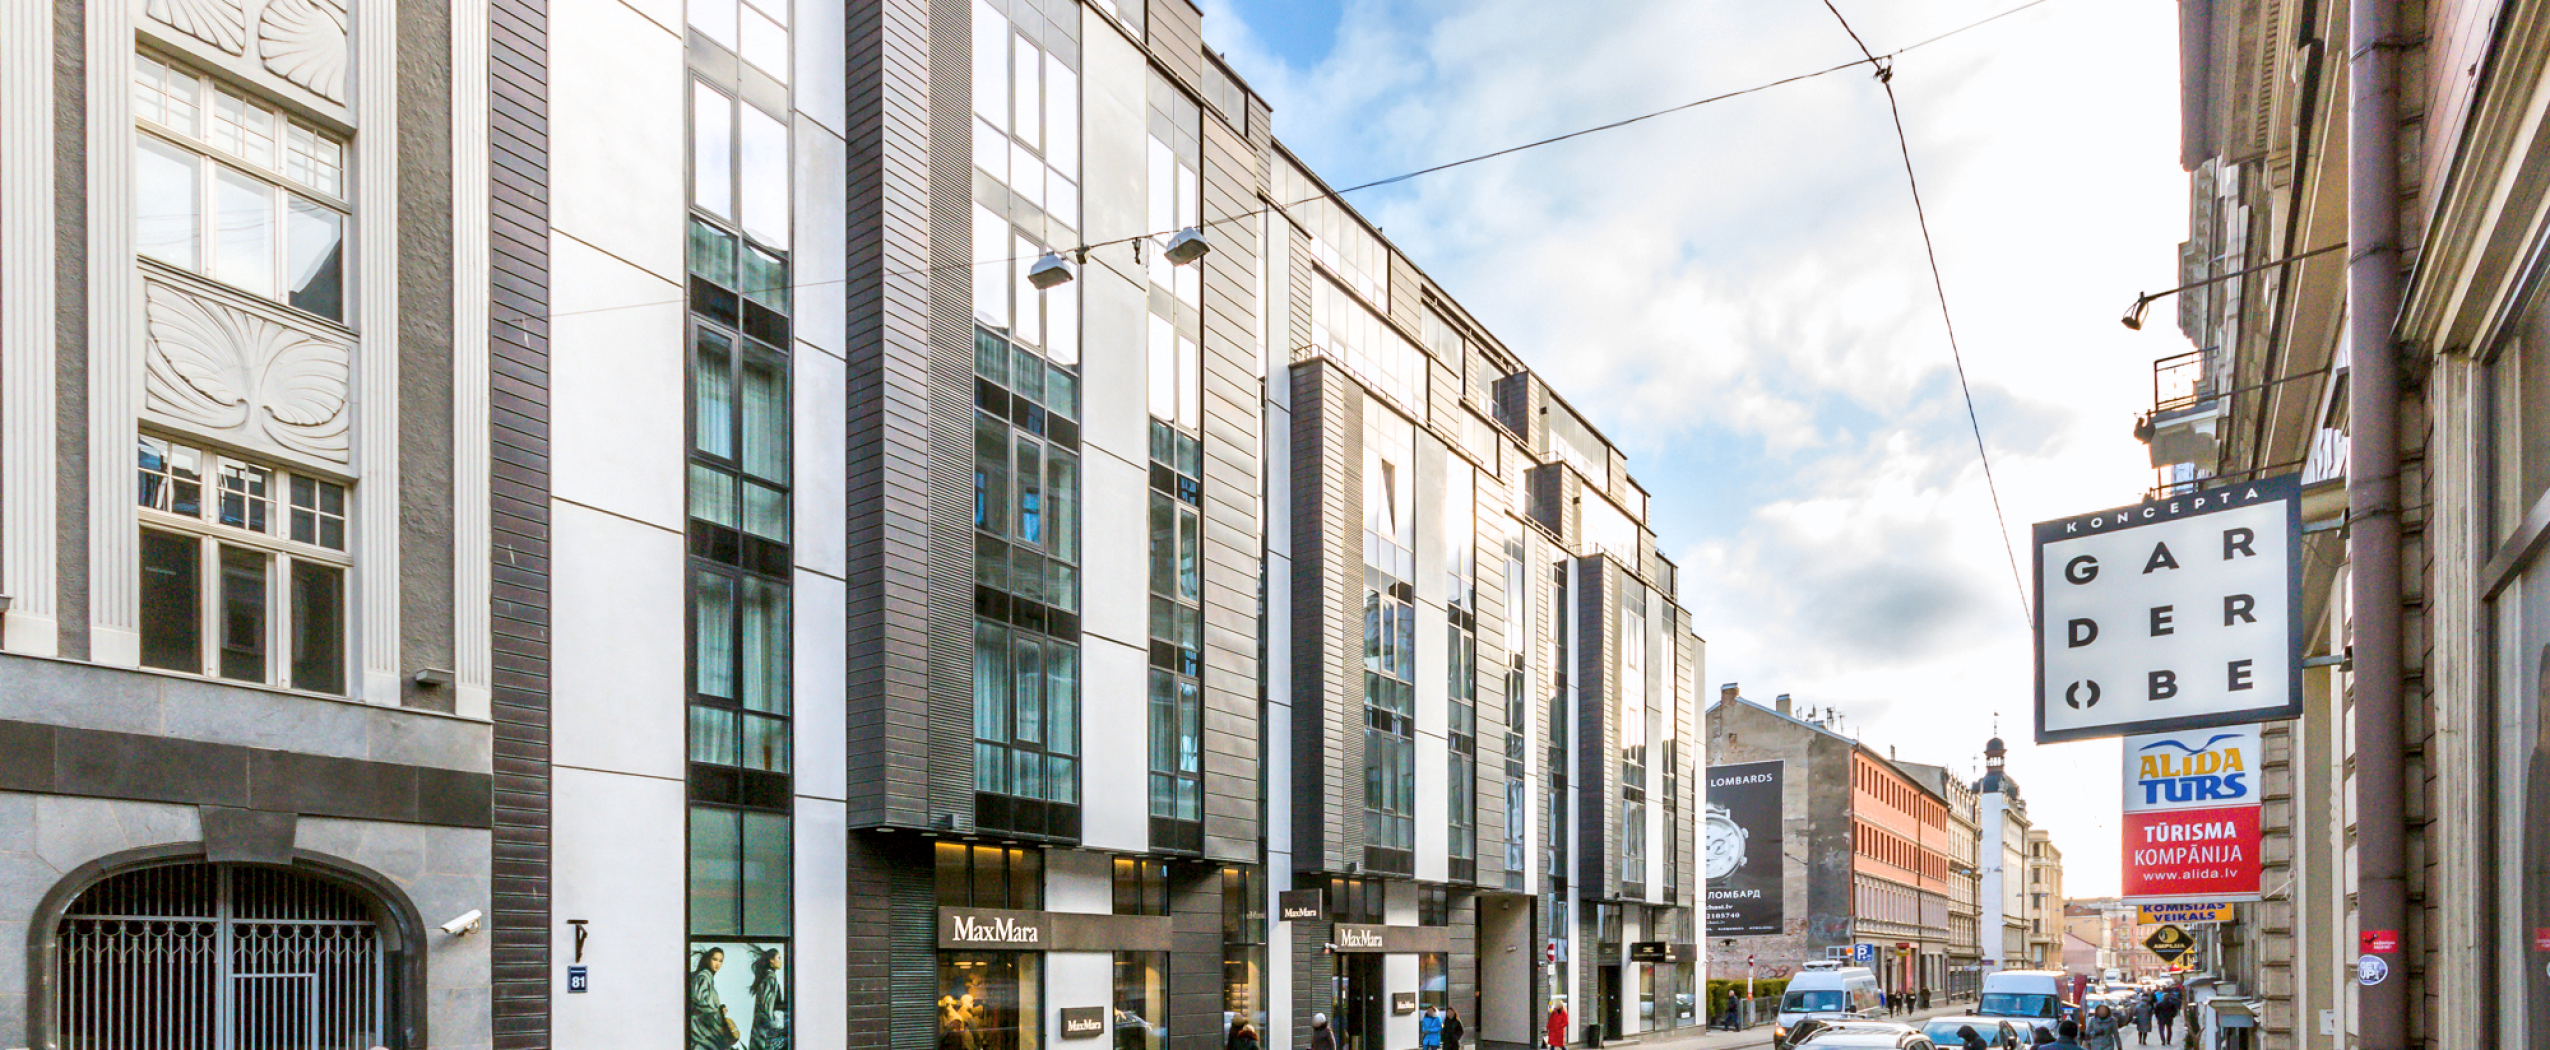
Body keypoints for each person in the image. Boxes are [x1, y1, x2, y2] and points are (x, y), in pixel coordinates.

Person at [687, 947, 735, 1050]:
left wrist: (720, 1009)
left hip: (704, 1028)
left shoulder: (706, 977)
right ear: (708, 960)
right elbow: (699, 1001)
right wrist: (717, 1012)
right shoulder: (704, 976)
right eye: (715, 959)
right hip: (702, 1029)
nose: (717, 964)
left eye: (720, 961)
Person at [749, 946, 789, 1050]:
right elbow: (767, 1007)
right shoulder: (770, 979)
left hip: (761, 1031)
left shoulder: (766, 978)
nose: (781, 961)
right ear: (771, 960)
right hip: (766, 1033)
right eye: (779, 958)